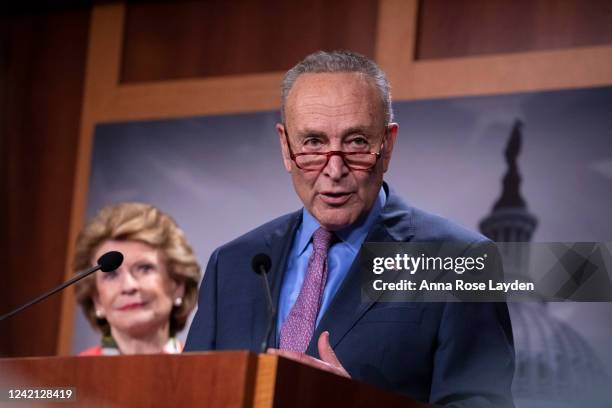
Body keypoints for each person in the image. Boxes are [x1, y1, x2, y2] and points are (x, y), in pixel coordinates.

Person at [185, 50, 514, 406]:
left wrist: (357, 402)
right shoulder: (233, 264)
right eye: (313, 143)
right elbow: (190, 395)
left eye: (356, 142)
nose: (334, 169)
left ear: (387, 146)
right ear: (285, 146)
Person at [74, 202, 201, 355]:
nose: (128, 286)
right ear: (97, 299)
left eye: (144, 268)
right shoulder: (71, 374)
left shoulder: (205, 372)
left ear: (178, 285)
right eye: (111, 275)